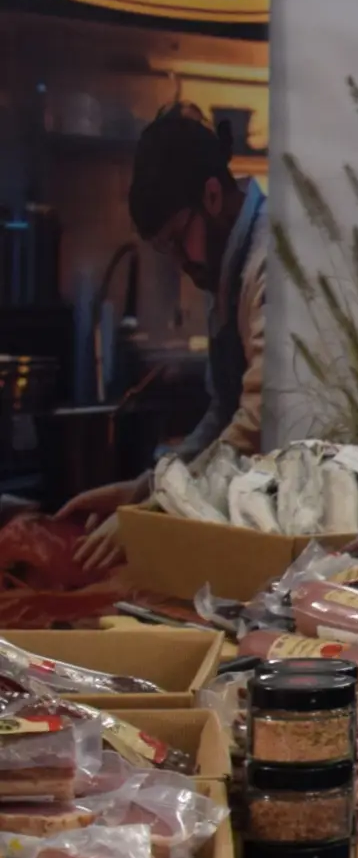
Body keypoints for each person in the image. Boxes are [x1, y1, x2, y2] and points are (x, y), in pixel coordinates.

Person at [62, 104, 267, 571]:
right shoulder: (223, 268)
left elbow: (257, 422)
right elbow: (223, 412)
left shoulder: (266, 261)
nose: (179, 260)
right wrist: (148, 486)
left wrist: (155, 513)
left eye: (178, 240)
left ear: (212, 196)